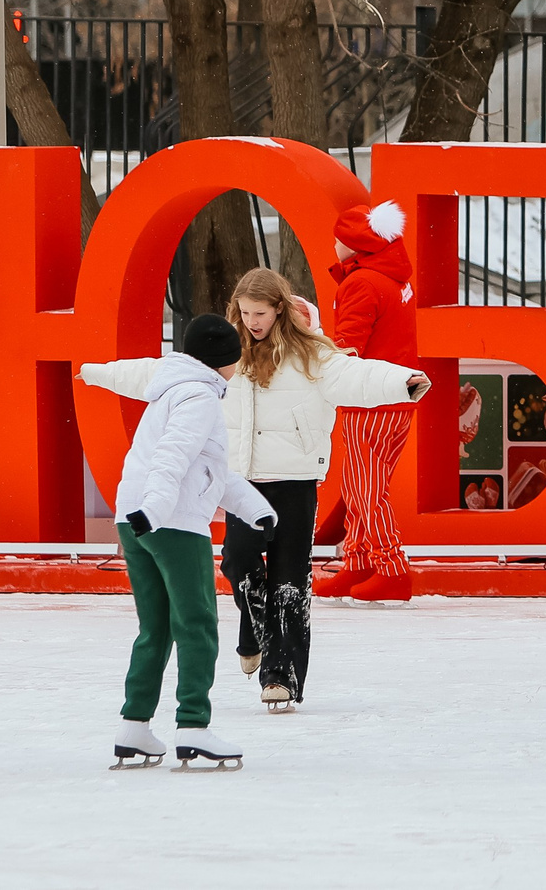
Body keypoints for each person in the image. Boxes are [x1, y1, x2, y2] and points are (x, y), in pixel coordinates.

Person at [83, 271, 426, 714]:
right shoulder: (227, 353)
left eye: (259, 313)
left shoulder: (312, 355)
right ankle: (253, 624)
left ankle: (281, 677)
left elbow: (355, 375)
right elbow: (156, 371)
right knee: (237, 563)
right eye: (244, 313)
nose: (252, 322)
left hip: (295, 481)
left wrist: (403, 382)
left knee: (288, 581)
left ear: (280, 308)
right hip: (240, 480)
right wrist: (95, 372)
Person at [86, 313, 278, 770]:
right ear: (222, 360)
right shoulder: (200, 397)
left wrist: (256, 510)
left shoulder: (172, 390)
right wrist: (155, 509)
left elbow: (208, 469)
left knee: (156, 627)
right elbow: (174, 456)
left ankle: (134, 725)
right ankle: (193, 726)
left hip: (133, 517)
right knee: (197, 624)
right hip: (170, 519)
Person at [319, 200, 421, 603]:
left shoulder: (361, 283)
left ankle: (392, 568)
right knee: (362, 482)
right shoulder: (394, 279)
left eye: (338, 240)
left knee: (365, 488)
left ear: (354, 244)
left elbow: (347, 348)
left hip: (368, 398)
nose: (333, 246)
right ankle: (358, 562)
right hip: (397, 394)